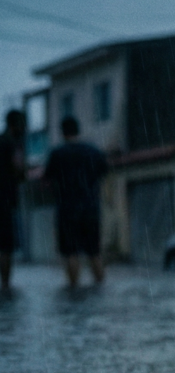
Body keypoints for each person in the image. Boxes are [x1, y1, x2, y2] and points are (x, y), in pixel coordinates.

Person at [43, 116, 109, 288]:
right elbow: (105, 173)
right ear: (78, 130)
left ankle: (74, 288)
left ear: (63, 132)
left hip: (67, 210)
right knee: (94, 251)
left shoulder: (57, 154)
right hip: (90, 208)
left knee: (71, 252)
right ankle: (100, 287)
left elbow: (47, 180)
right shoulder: (93, 151)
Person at [0, 110, 26, 291]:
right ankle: (6, 283)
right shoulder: (13, 143)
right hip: (6, 200)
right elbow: (18, 169)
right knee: (6, 245)